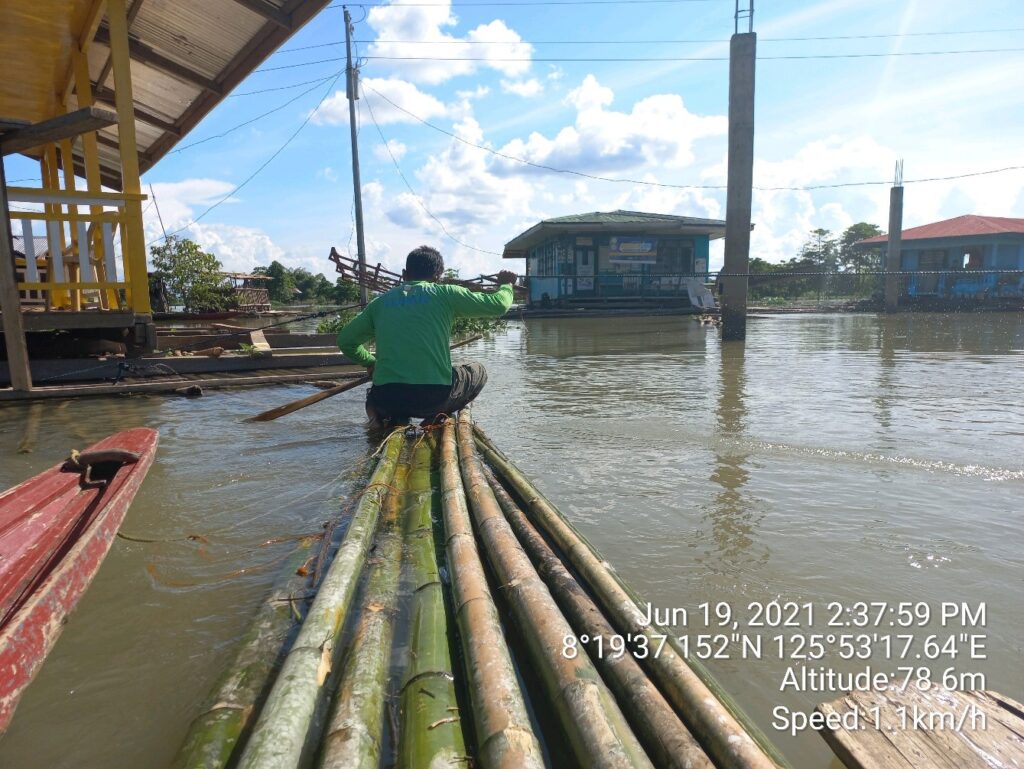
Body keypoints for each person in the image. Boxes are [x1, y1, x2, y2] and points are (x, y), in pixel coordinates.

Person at [337, 245, 517, 429]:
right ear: (437, 277)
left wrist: (370, 362)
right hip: (433, 399)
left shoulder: (379, 303)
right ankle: (435, 418)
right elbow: (499, 305)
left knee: (375, 393)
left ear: (404, 274)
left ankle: (382, 418)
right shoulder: (446, 294)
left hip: (387, 398)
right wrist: (506, 284)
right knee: (478, 370)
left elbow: (346, 341)